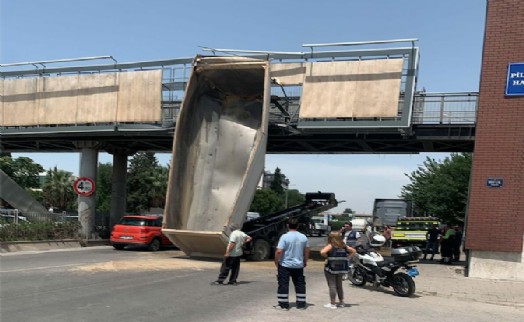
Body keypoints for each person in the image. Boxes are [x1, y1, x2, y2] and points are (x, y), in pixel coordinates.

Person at [274, 218, 310, 310]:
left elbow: (279, 251)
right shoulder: (303, 237)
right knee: (300, 284)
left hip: (285, 264)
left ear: (287, 226)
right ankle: (301, 304)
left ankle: (283, 304)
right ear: (298, 226)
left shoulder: (284, 237)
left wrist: (276, 261)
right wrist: (305, 261)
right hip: (298, 265)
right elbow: (306, 251)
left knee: (283, 284)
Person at [319, 232, 356, 309]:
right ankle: (341, 301)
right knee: (339, 285)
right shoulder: (343, 246)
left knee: (332, 285)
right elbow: (353, 251)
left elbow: (322, 252)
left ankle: (332, 303)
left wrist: (327, 257)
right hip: (341, 267)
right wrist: (347, 258)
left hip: (331, 268)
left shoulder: (331, 246)